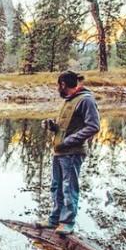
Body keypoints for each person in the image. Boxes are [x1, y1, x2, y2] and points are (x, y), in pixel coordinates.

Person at [37, 70, 100, 235]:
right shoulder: (69, 100)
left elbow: (93, 126)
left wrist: (68, 141)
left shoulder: (86, 100)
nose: (57, 88)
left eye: (58, 85)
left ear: (63, 84)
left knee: (69, 187)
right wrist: (53, 126)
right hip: (60, 152)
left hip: (72, 152)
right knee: (56, 186)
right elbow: (66, 127)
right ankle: (54, 219)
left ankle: (67, 222)